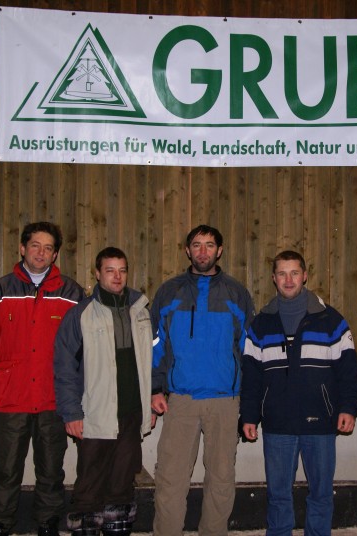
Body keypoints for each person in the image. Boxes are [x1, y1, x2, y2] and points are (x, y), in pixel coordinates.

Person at [0, 222, 85, 536]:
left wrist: (83, 399)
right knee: (7, 468)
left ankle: (48, 522)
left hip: (54, 400)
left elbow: (87, 350)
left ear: (55, 255)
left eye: (48, 248)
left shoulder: (72, 294)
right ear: (23, 248)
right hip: (11, 399)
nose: (41, 253)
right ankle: (0, 523)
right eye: (35, 246)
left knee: (51, 469)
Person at [240, 250, 357, 536]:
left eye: (294, 273)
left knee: (321, 495)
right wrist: (249, 416)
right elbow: (251, 378)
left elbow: (349, 372)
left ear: (305, 276)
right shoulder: (260, 325)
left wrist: (348, 408)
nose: (288, 279)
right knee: (278, 497)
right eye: (282, 274)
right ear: (274, 278)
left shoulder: (331, 321)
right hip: (277, 425)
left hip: (320, 423)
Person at [150, 224, 255, 536]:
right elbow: (156, 346)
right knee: (170, 478)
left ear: (219, 251)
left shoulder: (237, 293)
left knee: (221, 479)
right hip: (180, 400)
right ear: (187, 250)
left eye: (209, 245)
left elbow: (248, 351)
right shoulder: (169, 292)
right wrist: (156, 388)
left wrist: (248, 401)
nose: (203, 251)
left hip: (225, 401)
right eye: (196, 245)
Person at [53, 247, 154, 536]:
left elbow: (152, 360)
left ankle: (117, 528)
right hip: (95, 414)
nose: (117, 276)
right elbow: (64, 367)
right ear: (97, 274)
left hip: (131, 413)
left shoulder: (141, 312)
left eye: (122, 270)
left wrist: (150, 401)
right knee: (90, 483)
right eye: (110, 270)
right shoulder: (80, 315)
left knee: (122, 483)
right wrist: (71, 412)